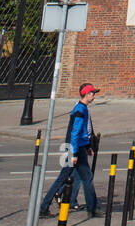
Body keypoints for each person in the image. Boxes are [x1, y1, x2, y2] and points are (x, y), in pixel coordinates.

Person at [40, 83, 100, 218]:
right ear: (86, 94)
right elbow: (75, 133)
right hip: (75, 149)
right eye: (92, 93)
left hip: (78, 148)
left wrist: (87, 147)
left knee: (83, 178)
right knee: (70, 178)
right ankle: (92, 208)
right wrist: (73, 153)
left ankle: (92, 207)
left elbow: (82, 132)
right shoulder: (80, 110)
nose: (94, 96)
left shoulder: (82, 108)